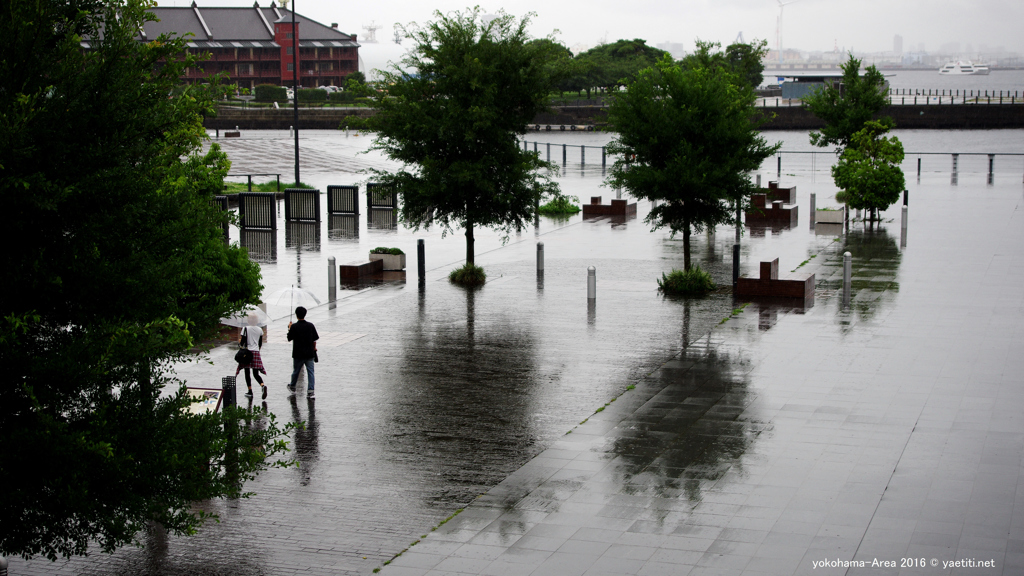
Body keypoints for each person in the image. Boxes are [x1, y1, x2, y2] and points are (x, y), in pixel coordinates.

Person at [287, 306, 319, 398]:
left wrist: (289, 328)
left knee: (296, 371)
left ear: (296, 315)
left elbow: (289, 338)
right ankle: (311, 390)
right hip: (309, 353)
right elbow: (314, 339)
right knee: (311, 372)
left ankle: (293, 386)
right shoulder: (310, 325)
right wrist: (314, 348)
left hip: (298, 353)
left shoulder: (294, 327)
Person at [236, 312, 268, 399]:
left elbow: (242, 343)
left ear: (248, 320)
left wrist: (240, 341)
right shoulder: (260, 330)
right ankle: (262, 385)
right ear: (257, 321)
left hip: (247, 353)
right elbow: (260, 343)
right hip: (256, 352)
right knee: (255, 373)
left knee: (247, 372)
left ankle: (250, 391)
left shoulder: (245, 329)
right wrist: (257, 350)